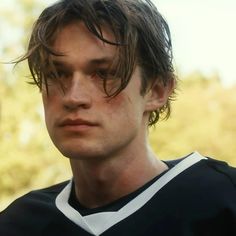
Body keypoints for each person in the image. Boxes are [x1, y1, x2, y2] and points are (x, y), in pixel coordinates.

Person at [0, 0, 236, 235]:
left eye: (104, 74)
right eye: (58, 73)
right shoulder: (18, 224)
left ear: (157, 90)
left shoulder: (223, 201)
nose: (73, 97)